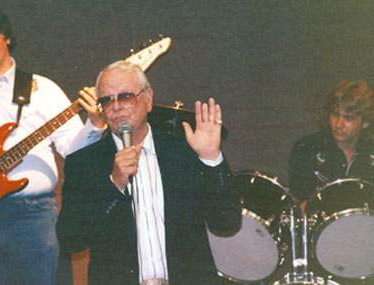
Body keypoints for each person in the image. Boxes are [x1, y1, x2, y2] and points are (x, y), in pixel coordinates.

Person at [0, 1, 106, 284]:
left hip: (32, 218)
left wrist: (95, 124)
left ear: (7, 36)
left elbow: (72, 150)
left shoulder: (43, 90)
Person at [56, 60, 241, 284]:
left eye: (125, 96)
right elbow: (70, 240)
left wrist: (211, 159)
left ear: (148, 99)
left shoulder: (183, 151)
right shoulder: (85, 164)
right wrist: (114, 184)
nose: (116, 107)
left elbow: (226, 221)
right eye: (106, 100)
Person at [287, 80, 374, 284]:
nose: (338, 124)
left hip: (369, 252)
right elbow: (301, 205)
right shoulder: (306, 148)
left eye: (348, 118)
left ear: (365, 122)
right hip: (320, 253)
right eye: (335, 114)